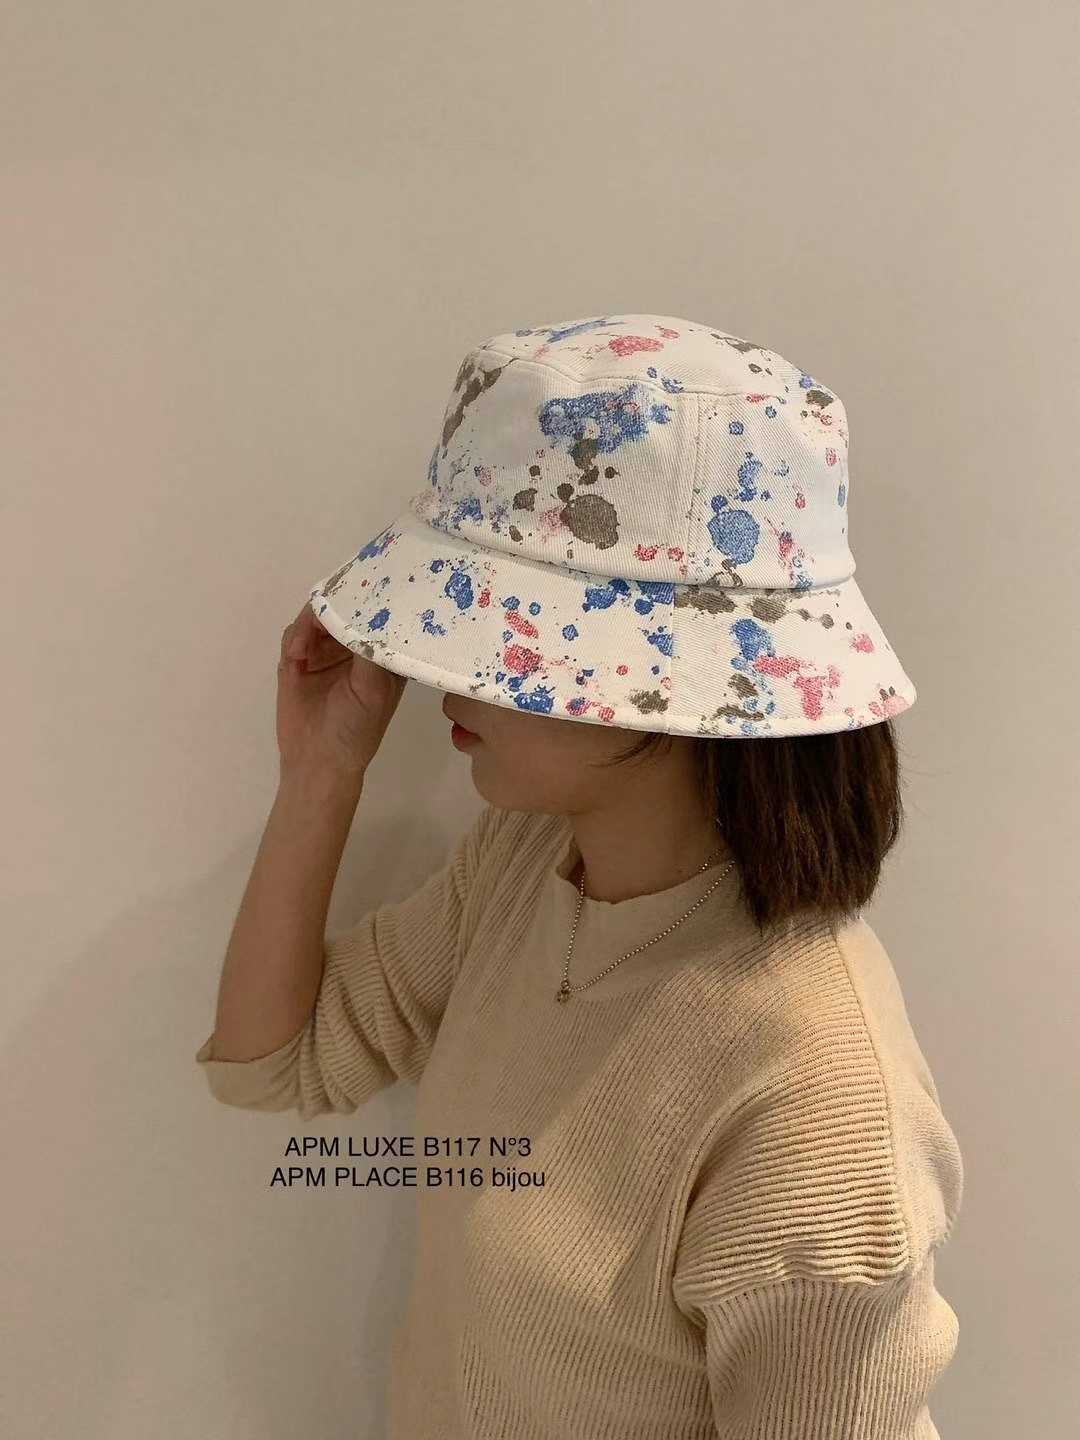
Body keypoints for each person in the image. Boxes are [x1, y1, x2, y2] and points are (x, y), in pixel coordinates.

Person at [195, 313, 964, 1439]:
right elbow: (277, 1065)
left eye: (510, 629)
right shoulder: (528, 863)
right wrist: (320, 776)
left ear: (678, 679)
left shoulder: (816, 1106)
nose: (443, 670)